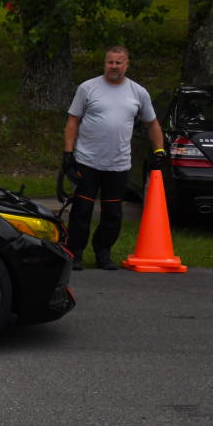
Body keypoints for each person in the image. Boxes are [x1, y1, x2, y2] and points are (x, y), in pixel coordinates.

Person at [62, 45, 165, 271]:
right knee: (81, 211)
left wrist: (159, 151)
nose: (114, 67)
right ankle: (75, 253)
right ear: (105, 63)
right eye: (110, 62)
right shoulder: (87, 88)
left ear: (127, 65)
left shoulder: (138, 92)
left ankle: (103, 253)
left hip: (118, 165)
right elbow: (72, 122)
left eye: (119, 63)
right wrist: (68, 154)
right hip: (87, 161)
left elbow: (153, 124)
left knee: (112, 213)